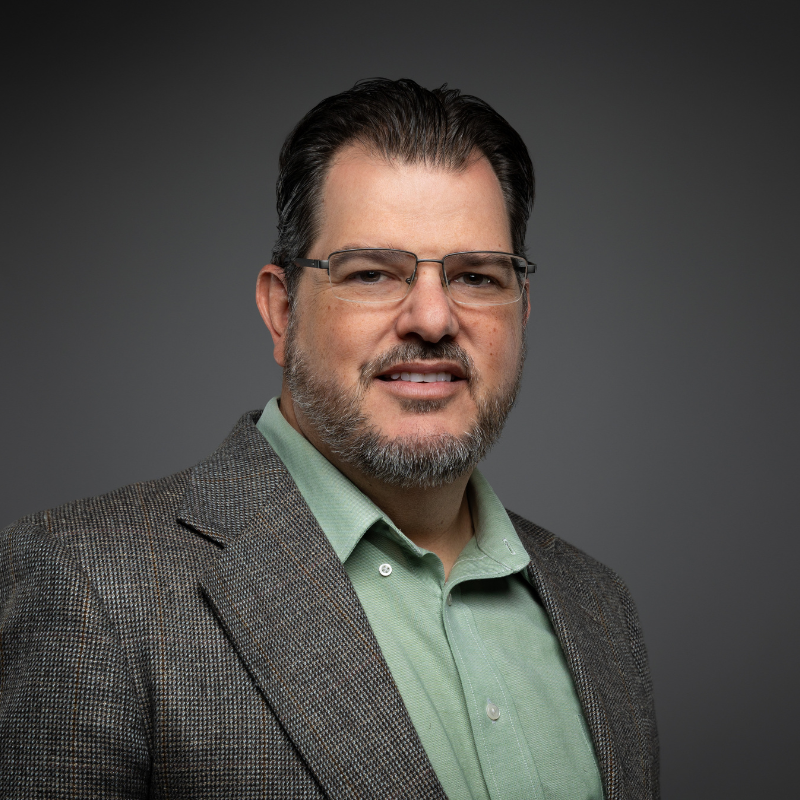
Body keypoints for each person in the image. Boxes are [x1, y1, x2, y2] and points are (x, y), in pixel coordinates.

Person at [0, 79, 658, 799]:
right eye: (373, 273)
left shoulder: (599, 609)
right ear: (282, 311)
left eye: (475, 276)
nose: (433, 319)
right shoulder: (91, 587)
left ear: (522, 309)